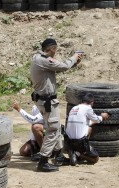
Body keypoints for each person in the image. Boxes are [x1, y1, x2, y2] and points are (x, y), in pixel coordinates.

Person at [30, 38, 83, 172]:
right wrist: (74, 57)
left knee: (57, 127)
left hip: (45, 100)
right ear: (52, 48)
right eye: (55, 50)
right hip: (47, 101)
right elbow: (63, 65)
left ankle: (58, 155)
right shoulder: (43, 60)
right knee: (53, 129)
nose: (55, 53)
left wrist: (74, 62)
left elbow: (59, 68)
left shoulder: (38, 58)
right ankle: (43, 160)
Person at [65, 93, 109, 166]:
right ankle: (78, 153)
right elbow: (97, 120)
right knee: (95, 159)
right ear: (92, 102)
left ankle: (74, 151)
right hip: (79, 142)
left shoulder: (74, 108)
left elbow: (85, 123)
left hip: (69, 141)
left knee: (89, 128)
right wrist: (103, 116)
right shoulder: (88, 108)